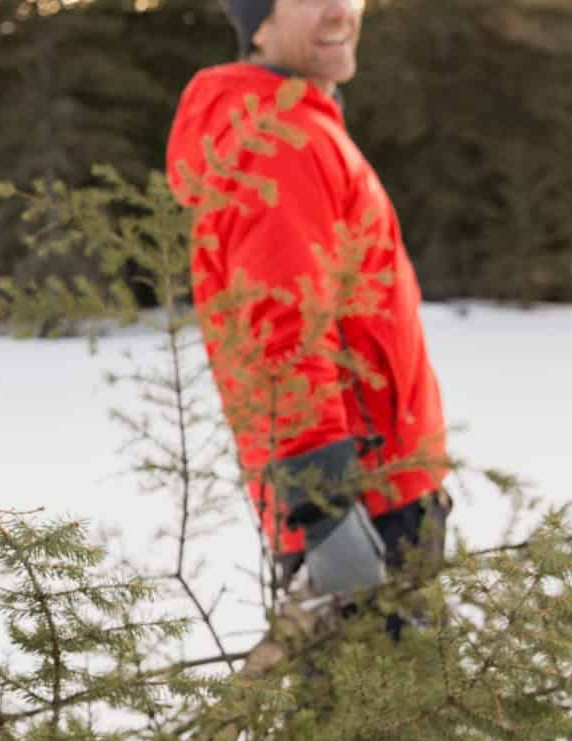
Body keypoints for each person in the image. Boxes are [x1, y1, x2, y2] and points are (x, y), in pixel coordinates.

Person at [167, 0, 450, 610]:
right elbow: (282, 329)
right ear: (258, 22)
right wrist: (325, 514)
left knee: (367, 705)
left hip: (382, 493)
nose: (340, 11)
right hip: (362, 510)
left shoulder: (301, 124)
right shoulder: (276, 138)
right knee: (373, 704)